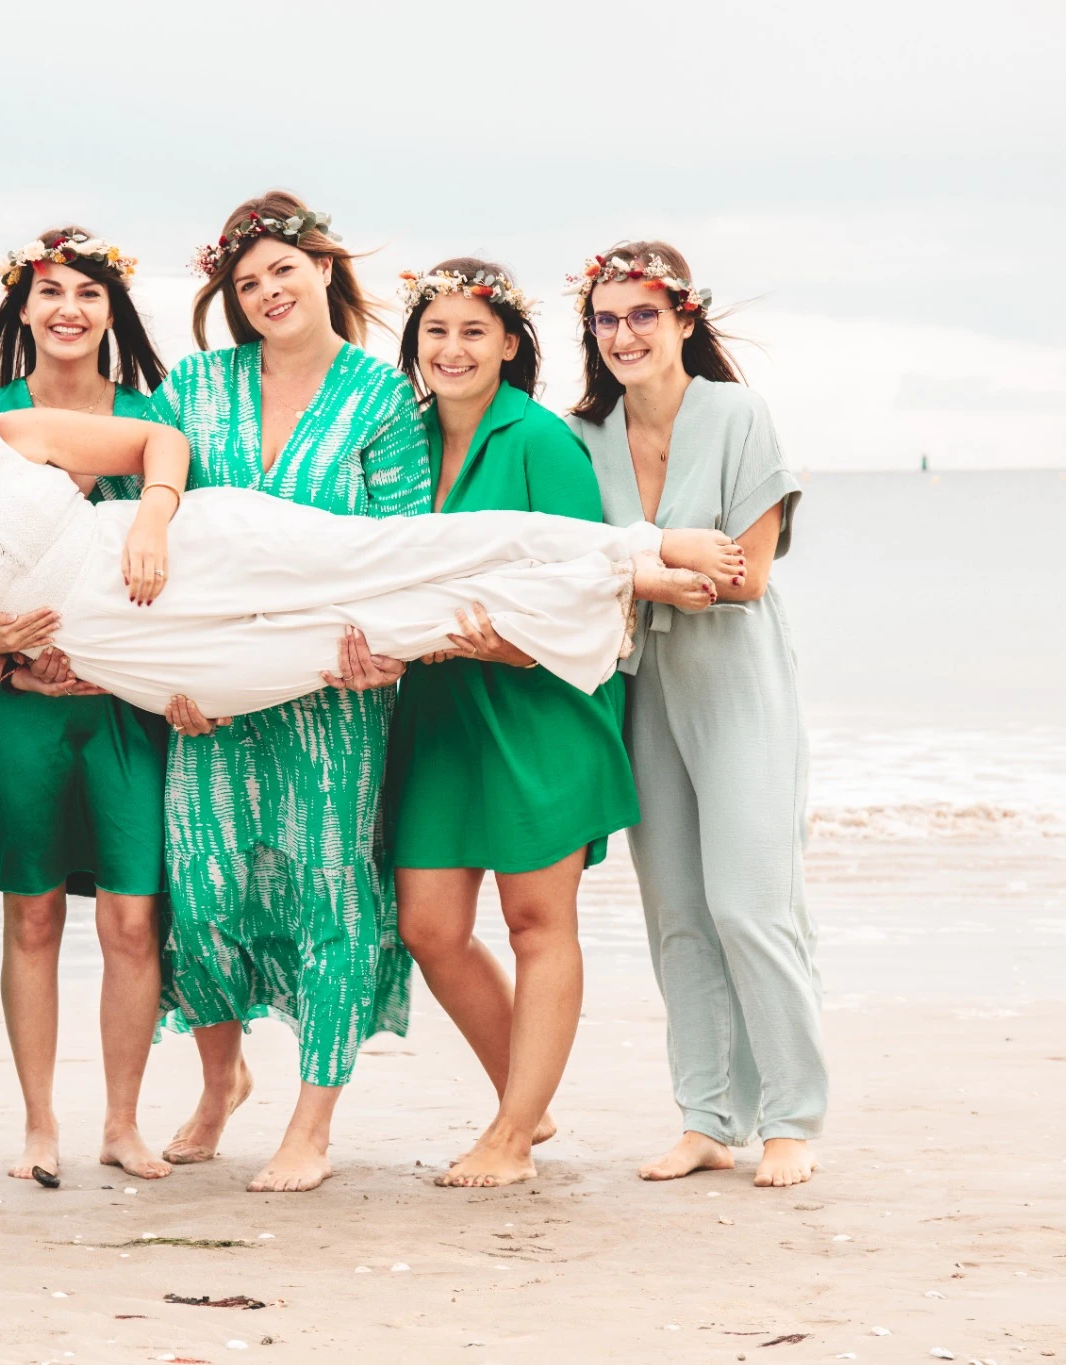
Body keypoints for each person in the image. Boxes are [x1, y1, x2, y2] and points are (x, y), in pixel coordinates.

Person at [0, 314, 742, 1206]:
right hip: (146, 663)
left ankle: (635, 557)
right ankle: (606, 598)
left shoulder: (12, 437)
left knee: (383, 564)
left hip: (182, 556)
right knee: (368, 641)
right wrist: (1, 660)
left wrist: (153, 516)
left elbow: (160, 445)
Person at [565, 241, 827, 1189]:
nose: (625, 333)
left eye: (643, 314)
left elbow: (746, 578)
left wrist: (643, 576)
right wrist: (670, 572)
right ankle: (707, 1117)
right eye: (607, 318)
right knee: (676, 910)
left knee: (752, 905)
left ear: (682, 319)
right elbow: (582, 573)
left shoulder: (738, 415)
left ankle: (794, 1117)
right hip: (636, 689)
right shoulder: (580, 436)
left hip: (737, 680)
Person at [384, 260, 644, 1188]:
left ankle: (510, 1132)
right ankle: (522, 1104)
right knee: (428, 926)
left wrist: (501, 646)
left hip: (538, 706)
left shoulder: (539, 440)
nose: (451, 350)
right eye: (435, 332)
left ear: (508, 345)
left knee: (538, 920)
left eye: (472, 332)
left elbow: (588, 589)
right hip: (441, 710)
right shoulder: (399, 438)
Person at [0, 227, 175, 1184]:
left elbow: (195, 559)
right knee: (32, 912)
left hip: (128, 697)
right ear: (24, 310)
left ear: (112, 312)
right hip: (18, 700)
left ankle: (123, 1122)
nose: (68, 310)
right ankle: (39, 1125)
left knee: (133, 917)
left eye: (89, 293)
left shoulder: (152, 419)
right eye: (49, 293)